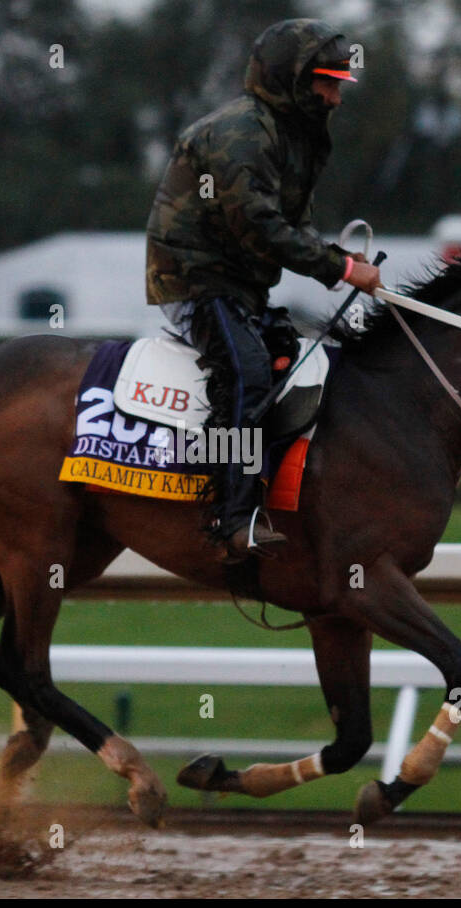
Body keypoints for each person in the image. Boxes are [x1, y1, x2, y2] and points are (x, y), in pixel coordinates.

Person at [146, 17, 381, 561]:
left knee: (284, 366)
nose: (336, 96)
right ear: (290, 80)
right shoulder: (241, 133)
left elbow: (288, 228)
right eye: (327, 82)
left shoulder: (291, 135)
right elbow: (260, 226)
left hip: (237, 283)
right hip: (195, 279)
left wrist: (340, 259)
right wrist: (343, 271)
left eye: (339, 83)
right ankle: (230, 517)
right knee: (249, 375)